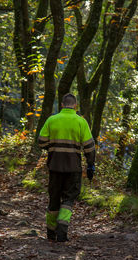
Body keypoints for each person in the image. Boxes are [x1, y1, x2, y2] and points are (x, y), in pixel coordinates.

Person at [38, 93, 96, 242]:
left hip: (54, 167)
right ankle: (62, 232)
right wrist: (90, 165)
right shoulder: (81, 122)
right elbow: (89, 147)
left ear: (62, 105)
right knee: (69, 199)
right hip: (73, 168)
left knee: (54, 199)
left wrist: (54, 147)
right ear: (75, 106)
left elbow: (41, 142)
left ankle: (51, 233)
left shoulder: (52, 120)